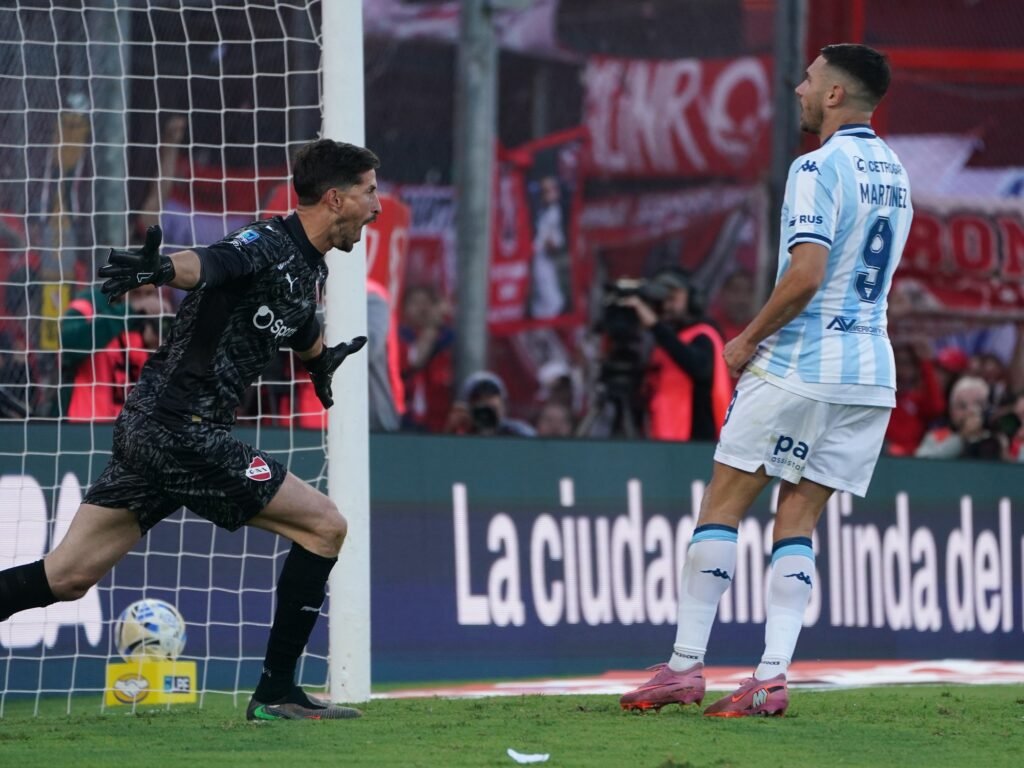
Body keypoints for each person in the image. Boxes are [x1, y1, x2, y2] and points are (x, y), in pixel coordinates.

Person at [0, 138, 381, 721]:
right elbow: (211, 263)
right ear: (335, 199)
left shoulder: (306, 265)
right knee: (325, 527)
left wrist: (318, 359)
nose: (377, 206)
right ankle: (277, 691)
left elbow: (299, 318)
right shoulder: (264, 242)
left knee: (68, 575)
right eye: (369, 192)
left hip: (148, 429)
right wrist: (161, 268)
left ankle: (278, 691)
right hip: (185, 430)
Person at [620, 44, 912, 717]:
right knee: (799, 517)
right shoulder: (896, 174)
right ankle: (771, 676)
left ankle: (685, 668)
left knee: (724, 501)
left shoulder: (817, 167)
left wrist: (747, 338)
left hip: (802, 363)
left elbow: (808, 274)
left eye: (809, 80)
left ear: (836, 95)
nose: (799, 89)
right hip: (869, 372)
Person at [617, 269, 732, 442]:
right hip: (665, 440)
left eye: (673, 298)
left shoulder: (704, 334)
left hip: (696, 443)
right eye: (663, 299)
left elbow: (699, 368)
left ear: (691, 299)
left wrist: (655, 326)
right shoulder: (663, 342)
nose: (667, 306)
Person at [444, 371, 536, 437]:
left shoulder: (519, 433)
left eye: (490, 396)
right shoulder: (461, 435)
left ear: (503, 406)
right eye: (478, 398)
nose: (486, 414)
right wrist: (450, 431)